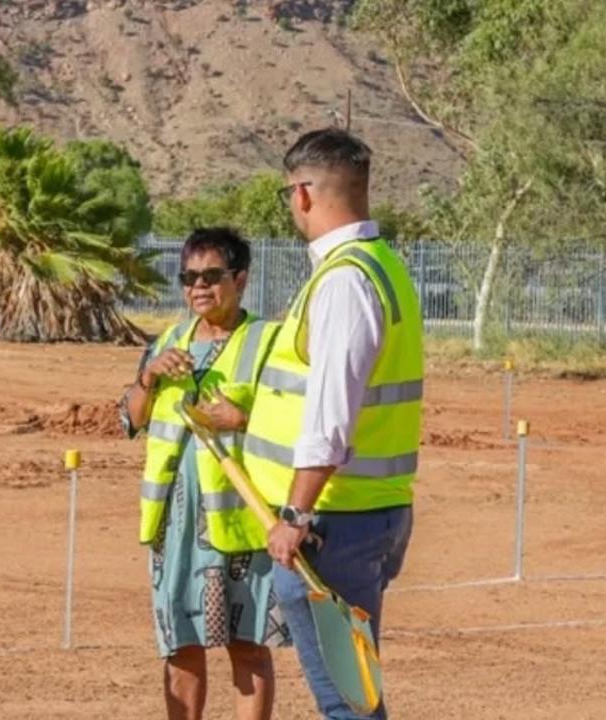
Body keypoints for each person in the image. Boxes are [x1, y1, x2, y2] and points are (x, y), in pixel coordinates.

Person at [243, 128, 423, 720]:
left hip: (332, 524)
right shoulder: (383, 266)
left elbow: (331, 415)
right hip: (370, 510)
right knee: (353, 687)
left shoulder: (345, 279)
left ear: (301, 193)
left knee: (345, 697)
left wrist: (295, 515)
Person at [119, 228, 289, 720]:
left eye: (212, 276)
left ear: (240, 278)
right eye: (189, 277)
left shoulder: (268, 342)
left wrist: (244, 419)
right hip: (174, 526)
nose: (199, 287)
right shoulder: (167, 342)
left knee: (248, 645)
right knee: (181, 645)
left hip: (242, 524)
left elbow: (300, 423)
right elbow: (130, 417)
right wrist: (150, 377)